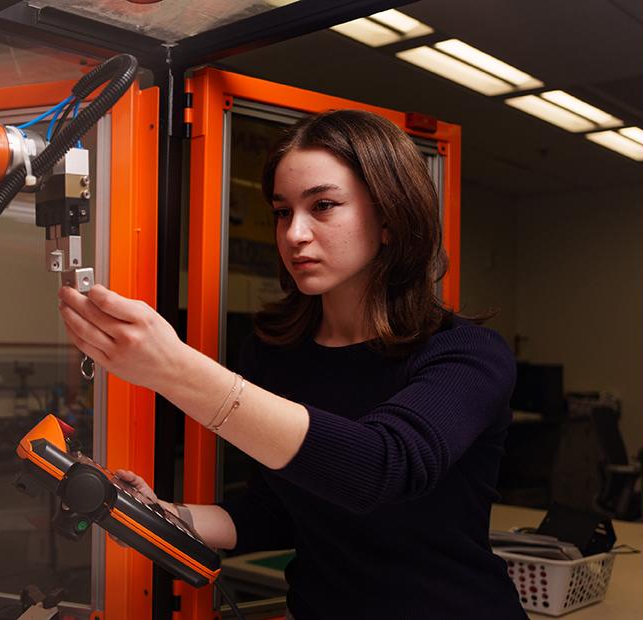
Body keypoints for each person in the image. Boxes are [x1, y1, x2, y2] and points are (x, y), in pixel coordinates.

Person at [58, 109, 525, 618]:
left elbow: (380, 468)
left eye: (323, 205)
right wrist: (169, 515)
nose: (294, 234)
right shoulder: (274, 353)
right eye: (283, 212)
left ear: (390, 219)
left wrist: (173, 369)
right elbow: (276, 512)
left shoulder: (467, 354)